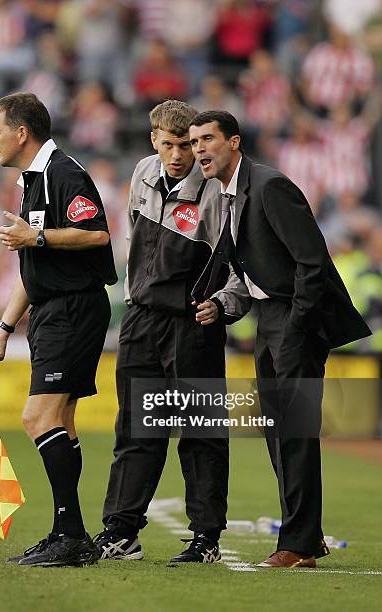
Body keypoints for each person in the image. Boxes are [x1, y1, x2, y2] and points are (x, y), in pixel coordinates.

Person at [189, 110, 371, 568]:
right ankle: (306, 533)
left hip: (294, 318)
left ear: (234, 142)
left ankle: (299, 544)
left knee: (294, 434)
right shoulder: (227, 194)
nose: (200, 150)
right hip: (269, 317)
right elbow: (247, 265)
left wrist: (297, 328)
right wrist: (224, 303)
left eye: (208, 139)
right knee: (278, 433)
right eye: (194, 143)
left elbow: (312, 262)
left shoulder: (270, 186)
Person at [93, 100, 250, 564]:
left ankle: (206, 539)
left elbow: (244, 263)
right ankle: (121, 533)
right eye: (169, 145)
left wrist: (222, 305)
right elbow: (132, 243)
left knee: (201, 434)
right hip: (141, 321)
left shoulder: (221, 190)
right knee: (135, 429)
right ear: (153, 141)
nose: (180, 155)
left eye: (188, 145)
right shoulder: (142, 172)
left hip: (192, 325)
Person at [0, 92, 117, 567]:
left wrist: (35, 235)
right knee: (62, 421)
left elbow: (98, 232)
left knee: (37, 418)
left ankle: (72, 535)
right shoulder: (32, 180)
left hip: (73, 310)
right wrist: (2, 328)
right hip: (52, 310)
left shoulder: (63, 172)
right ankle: (65, 530)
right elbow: (31, 270)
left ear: (22, 132)